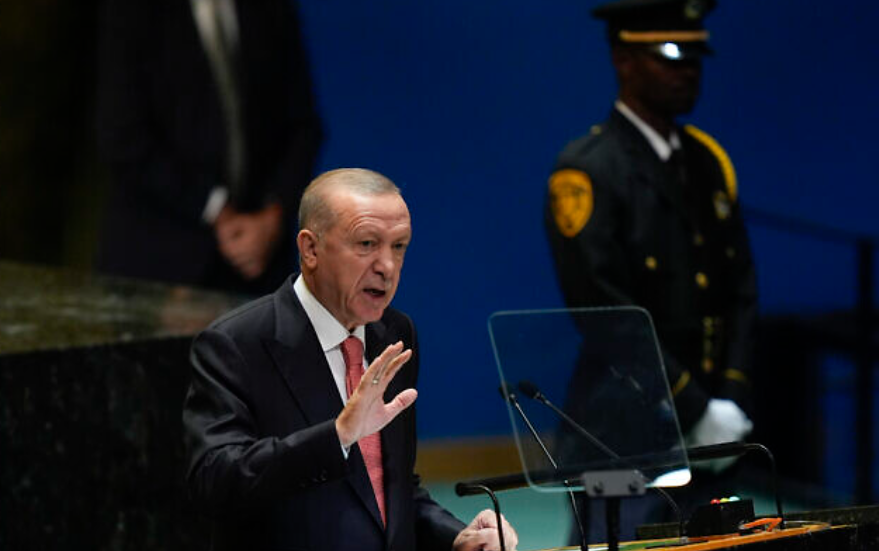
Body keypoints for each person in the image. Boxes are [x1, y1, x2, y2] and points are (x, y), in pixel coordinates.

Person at [183, 168, 519, 550]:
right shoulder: (237, 343)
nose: (387, 267)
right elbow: (214, 483)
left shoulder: (394, 334)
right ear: (311, 249)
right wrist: (338, 435)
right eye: (366, 244)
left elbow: (388, 489)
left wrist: (456, 536)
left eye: (399, 246)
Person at [545, 0, 757, 541]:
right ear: (622, 59)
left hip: (716, 427)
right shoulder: (589, 169)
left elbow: (739, 291)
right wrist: (693, 404)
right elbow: (604, 311)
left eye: (695, 56)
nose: (686, 69)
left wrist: (727, 395)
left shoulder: (708, 162)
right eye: (669, 54)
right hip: (624, 429)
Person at [95, 0, 321, 295]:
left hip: (259, 267)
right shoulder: (134, 12)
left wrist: (273, 216)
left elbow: (304, 126)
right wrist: (215, 209)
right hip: (158, 270)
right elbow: (121, 136)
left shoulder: (270, 8)